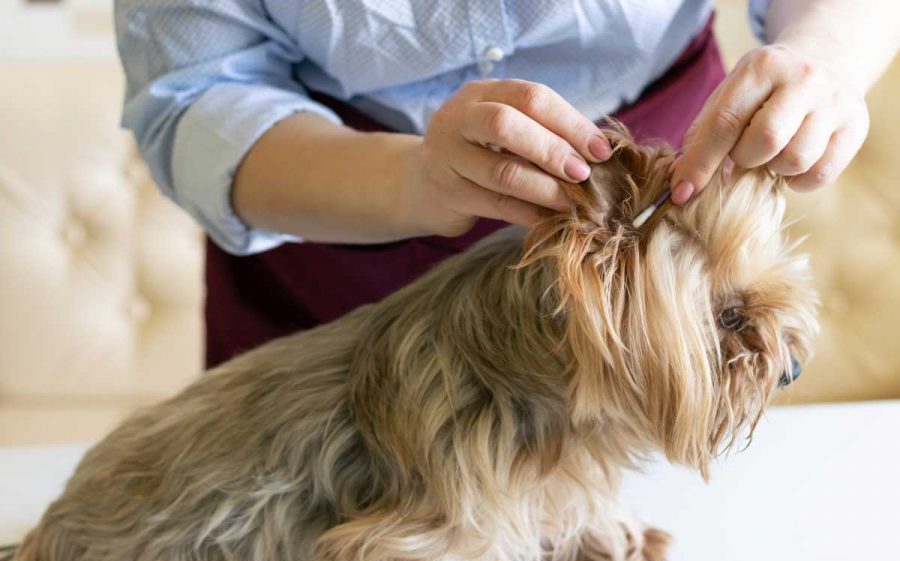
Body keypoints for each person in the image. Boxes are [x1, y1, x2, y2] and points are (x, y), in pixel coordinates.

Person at [114, 0, 898, 367]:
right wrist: (413, 179)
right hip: (345, 241)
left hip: (674, 225)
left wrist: (828, 54)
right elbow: (191, 98)